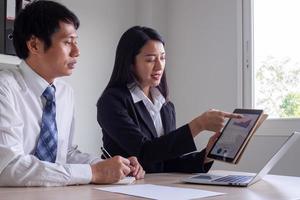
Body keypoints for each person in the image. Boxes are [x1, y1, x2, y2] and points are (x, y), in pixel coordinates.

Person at [0, 1, 144, 187]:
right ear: (34, 45)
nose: (77, 51)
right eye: (68, 42)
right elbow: (8, 167)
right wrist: (92, 172)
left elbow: (64, 154)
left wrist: (110, 166)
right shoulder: (5, 88)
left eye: (76, 42)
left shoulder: (64, 92)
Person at [97, 26, 241, 173]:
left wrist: (207, 154)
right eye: (151, 60)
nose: (159, 66)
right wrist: (198, 125)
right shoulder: (111, 102)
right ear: (131, 63)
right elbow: (145, 152)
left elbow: (167, 162)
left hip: (158, 187)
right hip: (125, 189)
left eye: (163, 58)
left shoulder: (166, 106)